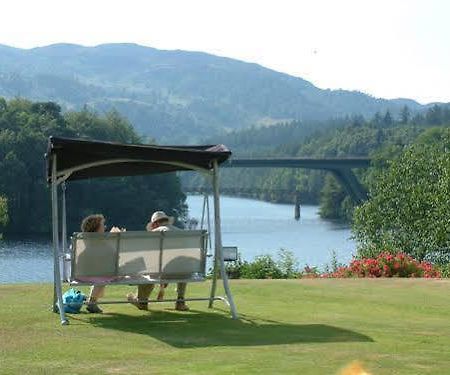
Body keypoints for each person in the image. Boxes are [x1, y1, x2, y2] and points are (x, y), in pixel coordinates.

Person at [127, 211, 189, 311]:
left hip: (162, 273)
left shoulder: (155, 234)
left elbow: (146, 257)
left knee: (146, 269)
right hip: (184, 273)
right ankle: (180, 301)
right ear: (167, 221)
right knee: (182, 264)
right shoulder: (182, 233)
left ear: (155, 224)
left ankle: (142, 301)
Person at [80, 214, 106, 314]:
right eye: (103, 225)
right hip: (94, 274)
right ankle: (92, 303)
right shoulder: (99, 243)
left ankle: (92, 302)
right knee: (105, 276)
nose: (104, 227)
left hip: (81, 273)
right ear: (97, 229)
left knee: (103, 275)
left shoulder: (83, 241)